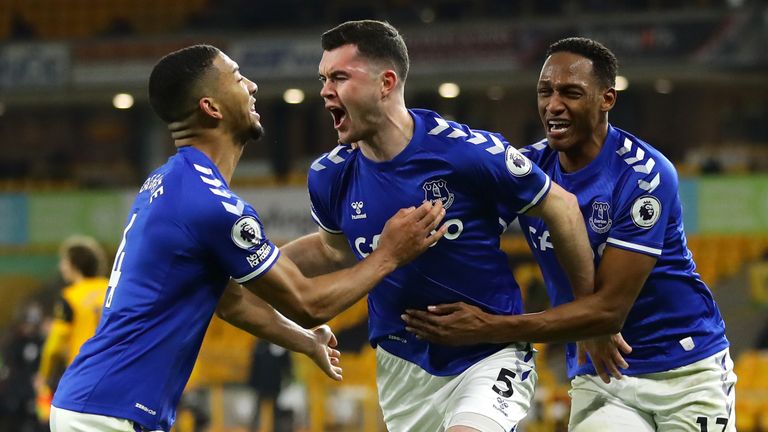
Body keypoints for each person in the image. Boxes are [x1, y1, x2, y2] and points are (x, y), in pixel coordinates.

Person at [50, 44, 447, 432]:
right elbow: (309, 303)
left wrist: (305, 342)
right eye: (238, 78)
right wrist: (389, 254)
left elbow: (232, 302)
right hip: (108, 413)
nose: (253, 86)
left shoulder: (168, 182)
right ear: (212, 107)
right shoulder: (211, 204)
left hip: (100, 404)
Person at [403, 37, 736, 431]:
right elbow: (465, 227)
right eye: (545, 91)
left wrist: (489, 328)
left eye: (570, 93)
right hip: (604, 377)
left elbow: (609, 311)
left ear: (606, 99)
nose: (553, 105)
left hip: (684, 370)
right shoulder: (529, 169)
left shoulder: (644, 174)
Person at [281, 21, 595, 432]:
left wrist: (589, 315)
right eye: (323, 79)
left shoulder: (465, 153)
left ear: (386, 83)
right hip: (402, 368)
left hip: (487, 354)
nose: (324, 90)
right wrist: (253, 266)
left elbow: (563, 207)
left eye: (339, 77)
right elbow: (333, 249)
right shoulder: (329, 175)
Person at [35, 236, 109, 421]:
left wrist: (43, 375)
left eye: (64, 261)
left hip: (82, 374)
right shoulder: (112, 288)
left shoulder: (70, 297)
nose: (61, 267)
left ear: (74, 264)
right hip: (113, 370)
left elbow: (55, 343)